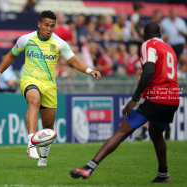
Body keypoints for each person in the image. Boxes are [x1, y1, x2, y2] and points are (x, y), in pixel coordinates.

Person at [70, 22, 179, 183]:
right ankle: (163, 174)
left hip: (155, 96)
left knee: (122, 131)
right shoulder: (170, 49)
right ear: (160, 34)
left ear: (144, 35)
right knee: (156, 134)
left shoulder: (148, 44)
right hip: (173, 98)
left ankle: (89, 167)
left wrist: (134, 99)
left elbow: (148, 71)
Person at [0, 10, 101, 166]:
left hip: (49, 85)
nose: (49, 29)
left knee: (49, 126)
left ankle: (43, 158)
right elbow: (10, 55)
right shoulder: (26, 39)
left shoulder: (59, 43)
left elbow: (74, 61)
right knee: (34, 101)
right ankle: (31, 143)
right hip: (30, 79)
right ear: (39, 24)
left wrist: (90, 70)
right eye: (47, 25)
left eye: (52, 26)